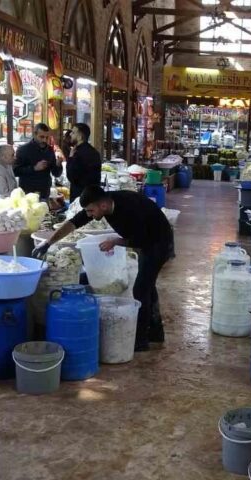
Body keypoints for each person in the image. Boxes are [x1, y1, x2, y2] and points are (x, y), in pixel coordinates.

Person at [35, 185, 173, 351]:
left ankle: (141, 340)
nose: (89, 215)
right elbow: (74, 222)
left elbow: (141, 239)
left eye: (91, 211)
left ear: (103, 205)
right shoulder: (102, 203)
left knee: (141, 289)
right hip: (147, 240)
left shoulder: (129, 208)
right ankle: (156, 332)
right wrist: (48, 243)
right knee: (147, 285)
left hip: (159, 242)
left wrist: (115, 242)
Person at [14, 123, 62, 200]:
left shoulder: (49, 150)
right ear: (34, 134)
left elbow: (56, 173)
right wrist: (34, 168)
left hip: (44, 192)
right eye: (42, 137)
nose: (44, 140)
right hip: (27, 192)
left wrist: (58, 164)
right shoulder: (23, 149)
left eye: (47, 137)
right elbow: (15, 171)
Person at [66, 123, 102, 199]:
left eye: (73, 132)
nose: (70, 134)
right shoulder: (94, 152)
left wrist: (70, 158)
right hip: (93, 195)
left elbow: (71, 176)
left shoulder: (77, 153)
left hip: (79, 197)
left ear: (80, 136)